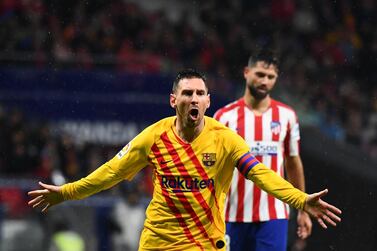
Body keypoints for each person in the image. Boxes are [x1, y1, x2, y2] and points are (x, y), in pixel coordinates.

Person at [28, 69, 341, 251]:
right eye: (187, 93)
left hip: (205, 245)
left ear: (208, 101)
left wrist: (300, 200)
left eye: (200, 93)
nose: (194, 98)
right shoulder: (153, 137)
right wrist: (66, 193)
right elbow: (110, 173)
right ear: (173, 100)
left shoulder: (225, 139)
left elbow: (261, 175)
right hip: (158, 243)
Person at [213, 50, 311, 251]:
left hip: (273, 216)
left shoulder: (287, 116)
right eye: (260, 74)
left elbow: (293, 162)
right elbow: (213, 168)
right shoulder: (223, 117)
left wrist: (303, 208)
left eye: (270, 77)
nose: (265, 81)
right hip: (232, 214)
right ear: (246, 72)